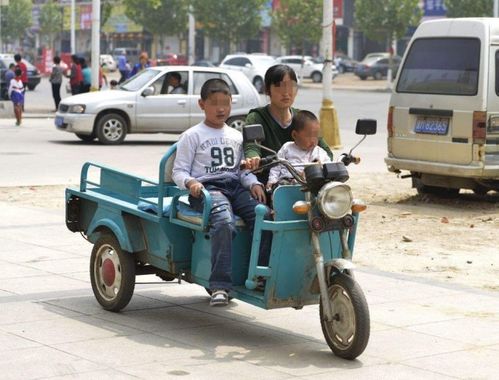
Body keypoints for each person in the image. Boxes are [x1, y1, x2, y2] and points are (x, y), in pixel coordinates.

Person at [172, 78, 270, 307]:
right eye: (214, 103)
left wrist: (253, 183)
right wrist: (191, 184)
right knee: (224, 222)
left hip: (235, 186)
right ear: (201, 104)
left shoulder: (236, 136)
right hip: (208, 190)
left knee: (264, 215)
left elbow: (242, 171)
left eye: (226, 103)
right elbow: (179, 171)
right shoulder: (192, 135)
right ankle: (220, 285)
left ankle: (259, 275)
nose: (221, 108)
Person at [244, 64, 333, 184]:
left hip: (307, 182)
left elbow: (326, 152)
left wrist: (316, 164)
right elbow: (252, 147)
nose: (286, 92)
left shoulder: (303, 118)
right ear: (267, 90)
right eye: (279, 86)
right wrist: (253, 158)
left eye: (291, 86)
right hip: (271, 184)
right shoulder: (256, 117)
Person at [266, 110, 332, 190]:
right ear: (294, 135)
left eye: (316, 136)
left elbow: (329, 166)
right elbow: (276, 166)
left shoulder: (319, 152)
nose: (313, 140)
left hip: (312, 185)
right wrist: (272, 181)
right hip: (287, 183)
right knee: (280, 185)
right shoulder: (287, 147)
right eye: (309, 136)